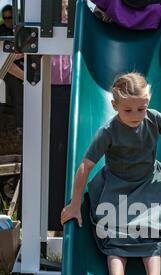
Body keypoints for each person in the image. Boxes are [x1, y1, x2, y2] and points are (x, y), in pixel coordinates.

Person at [61, 72, 161, 275]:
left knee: (153, 228)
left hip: (149, 183)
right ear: (114, 105)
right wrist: (75, 204)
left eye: (141, 109)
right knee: (115, 233)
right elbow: (85, 165)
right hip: (117, 186)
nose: (136, 115)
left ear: (148, 104)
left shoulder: (154, 119)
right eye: (128, 110)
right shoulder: (108, 131)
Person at [48, 0, 73, 232]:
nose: (65, 13)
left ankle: (67, 216)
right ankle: (49, 218)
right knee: (52, 156)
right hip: (49, 92)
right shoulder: (47, 30)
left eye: (68, 8)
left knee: (70, 154)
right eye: (62, 8)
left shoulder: (77, 30)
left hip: (74, 92)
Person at [0, 4, 24, 134]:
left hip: (15, 68)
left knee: (17, 98)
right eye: (5, 18)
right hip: (5, 69)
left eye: (10, 17)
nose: (8, 20)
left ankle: (20, 127)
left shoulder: (20, 30)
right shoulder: (1, 30)